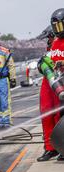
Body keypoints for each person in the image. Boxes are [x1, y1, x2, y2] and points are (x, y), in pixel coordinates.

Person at [37, 8, 64, 162]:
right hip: (56, 83)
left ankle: (60, 147)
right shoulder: (55, 43)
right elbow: (53, 63)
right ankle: (52, 147)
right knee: (48, 113)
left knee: (59, 115)